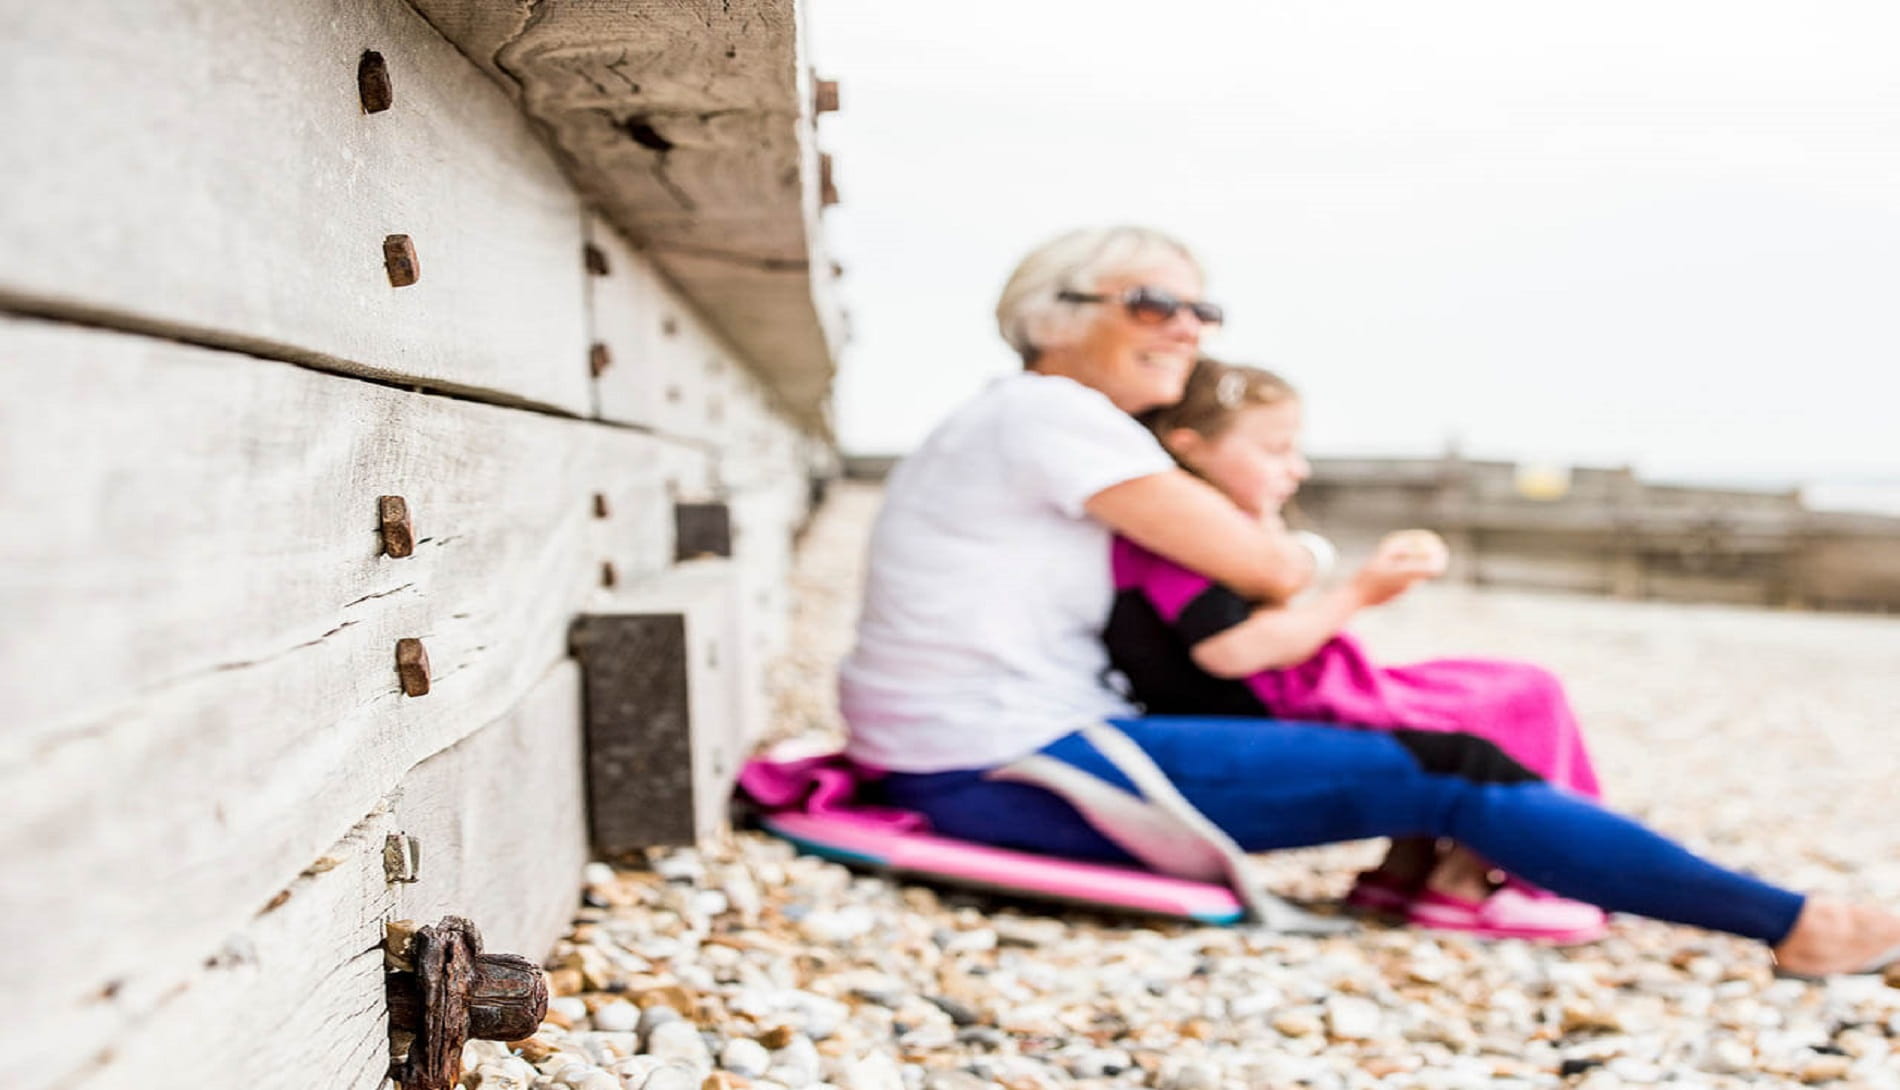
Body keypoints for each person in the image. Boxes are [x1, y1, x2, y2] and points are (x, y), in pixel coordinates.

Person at [837, 224, 1900, 975]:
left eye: (1202, 307)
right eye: (1154, 302)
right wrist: (1298, 546)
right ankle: (1794, 922)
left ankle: (1447, 880)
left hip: (970, 745)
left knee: (1430, 744)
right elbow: (1269, 572)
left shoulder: (1018, 420)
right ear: (1049, 317)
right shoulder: (1055, 416)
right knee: (1451, 768)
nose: (1188, 329)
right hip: (999, 769)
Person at [1108, 358, 1604, 937]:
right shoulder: (1182, 536)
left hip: (1289, 686)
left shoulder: (1206, 527)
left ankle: (1404, 870)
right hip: (1283, 702)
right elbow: (1229, 652)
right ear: (1189, 446)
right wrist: (1361, 592)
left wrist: (1264, 516)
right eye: (1275, 450)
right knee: (1520, 692)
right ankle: (1470, 885)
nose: (1297, 468)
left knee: (1472, 678)